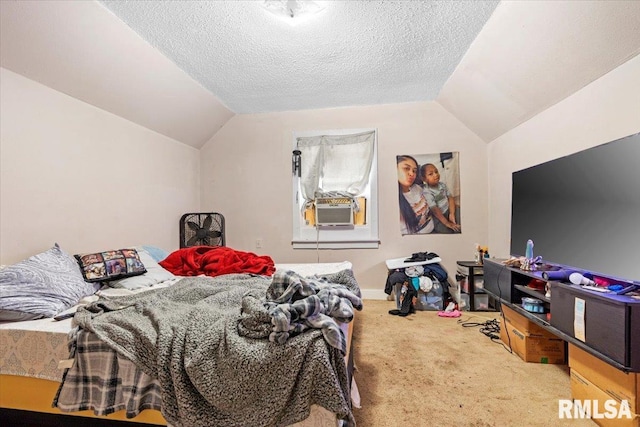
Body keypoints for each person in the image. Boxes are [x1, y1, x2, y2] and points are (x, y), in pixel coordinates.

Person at [397, 155, 434, 234]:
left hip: (434, 230)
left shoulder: (417, 188)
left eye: (414, 171)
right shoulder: (392, 199)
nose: (412, 173)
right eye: (406, 168)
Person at [420, 163, 461, 233]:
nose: (435, 175)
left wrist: (452, 213)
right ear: (424, 179)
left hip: (449, 209)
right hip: (439, 216)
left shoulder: (442, 185)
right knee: (447, 231)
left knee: (462, 220)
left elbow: (450, 198)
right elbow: (435, 210)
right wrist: (447, 223)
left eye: (436, 172)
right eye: (431, 174)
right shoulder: (427, 192)